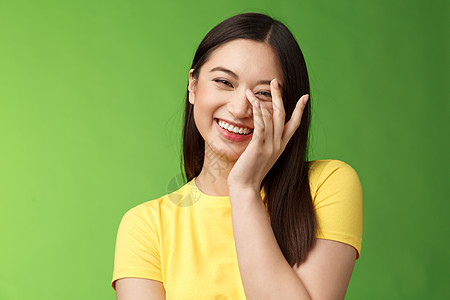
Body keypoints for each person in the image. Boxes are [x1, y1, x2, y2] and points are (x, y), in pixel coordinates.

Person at [112, 12, 362, 300]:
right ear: (193, 85)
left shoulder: (326, 185)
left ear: (288, 106)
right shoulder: (145, 225)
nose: (240, 108)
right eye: (224, 82)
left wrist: (244, 188)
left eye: (264, 93)